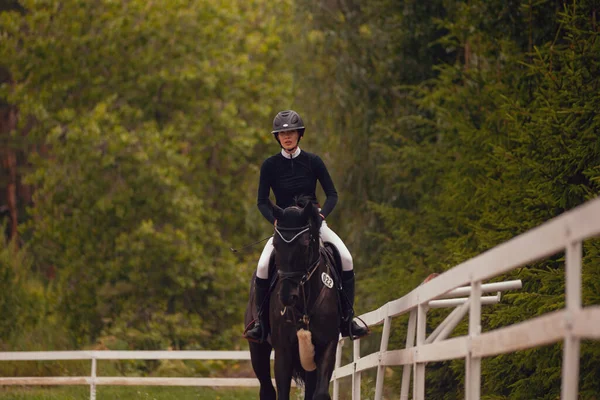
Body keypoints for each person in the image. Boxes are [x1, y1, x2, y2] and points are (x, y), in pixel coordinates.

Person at [244, 110, 368, 343]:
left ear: (299, 134)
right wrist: (275, 221)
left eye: (291, 132)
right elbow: (262, 202)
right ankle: (260, 323)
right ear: (277, 138)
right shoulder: (269, 165)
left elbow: (332, 194)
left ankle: (347, 319)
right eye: (282, 133)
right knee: (262, 266)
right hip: (285, 230)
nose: (287, 137)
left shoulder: (313, 161)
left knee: (347, 259)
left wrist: (321, 215)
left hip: (313, 225)